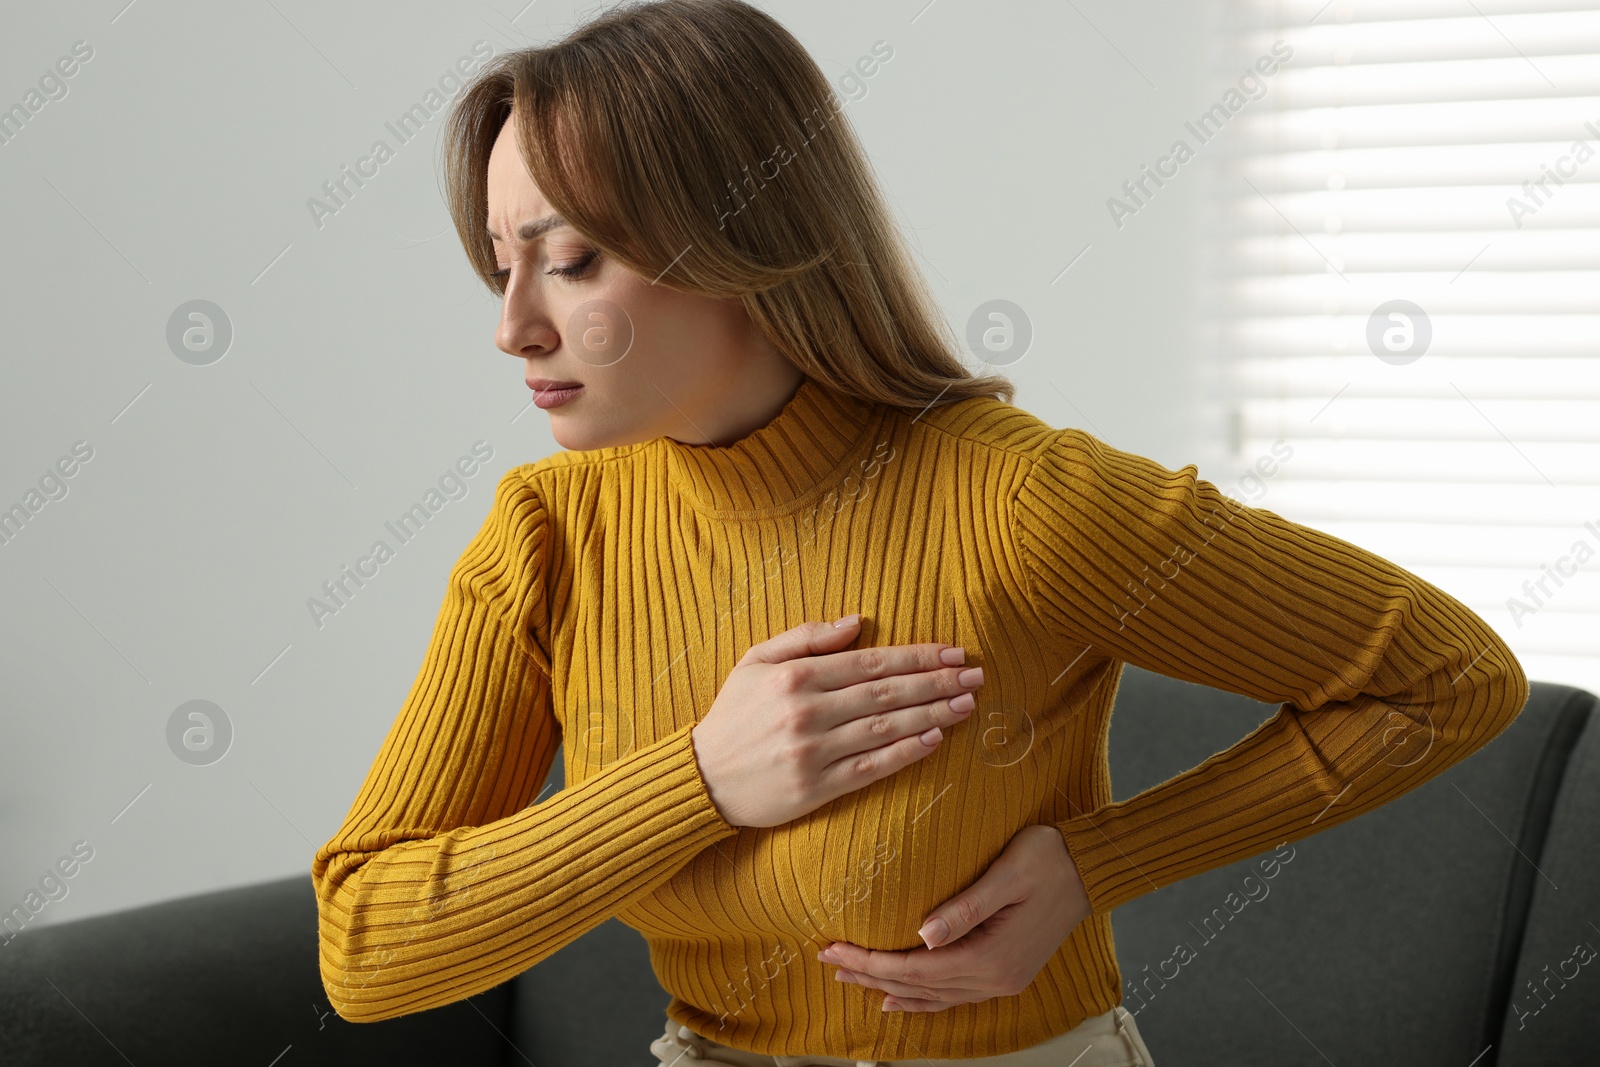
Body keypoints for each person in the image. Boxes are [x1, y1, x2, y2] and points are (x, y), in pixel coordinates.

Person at [309, 2, 1529, 1064]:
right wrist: (700, 780)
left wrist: (1096, 865)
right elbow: (366, 947)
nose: (513, 325)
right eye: (498, 266)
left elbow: (1446, 679)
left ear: (739, 246)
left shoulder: (1022, 503)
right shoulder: (549, 533)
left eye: (570, 261)